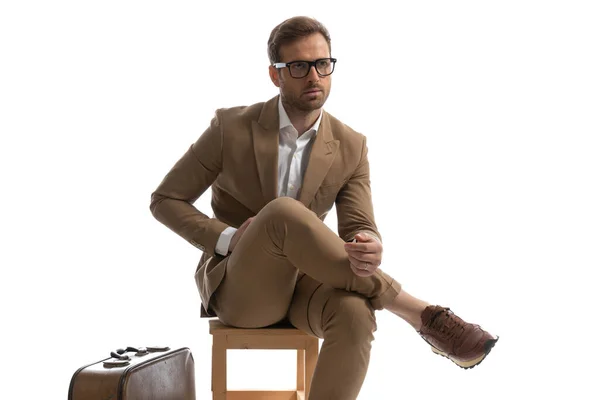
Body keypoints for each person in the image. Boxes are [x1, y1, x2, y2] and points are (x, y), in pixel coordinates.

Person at [150, 16, 498, 399]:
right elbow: (165, 200)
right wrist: (228, 238)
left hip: (309, 286)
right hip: (243, 289)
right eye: (298, 66)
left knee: (355, 314)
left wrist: (369, 243)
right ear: (275, 74)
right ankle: (416, 311)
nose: (314, 76)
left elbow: (359, 225)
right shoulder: (230, 127)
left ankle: (406, 311)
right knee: (282, 212)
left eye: (322, 64)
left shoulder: (351, 145)